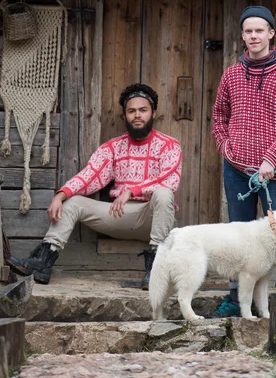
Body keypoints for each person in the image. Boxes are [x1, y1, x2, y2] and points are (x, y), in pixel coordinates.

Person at [7, 83, 182, 289]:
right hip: (119, 216)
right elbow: (90, 176)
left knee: (163, 194)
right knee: (73, 202)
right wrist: (61, 194)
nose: (137, 115)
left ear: (153, 112)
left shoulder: (170, 145)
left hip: (152, 218)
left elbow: (169, 181)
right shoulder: (113, 147)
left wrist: (132, 190)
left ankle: (155, 271)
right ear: (124, 115)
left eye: (143, 110)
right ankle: (44, 261)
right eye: (131, 111)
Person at [212, 6, 276, 317]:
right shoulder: (231, 74)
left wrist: (271, 158)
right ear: (242, 35)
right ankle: (235, 298)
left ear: (271, 34)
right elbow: (218, 117)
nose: (254, 36)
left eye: (259, 30)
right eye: (248, 31)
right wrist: (225, 147)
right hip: (238, 170)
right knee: (237, 235)